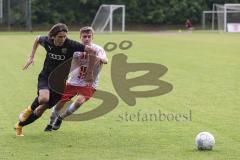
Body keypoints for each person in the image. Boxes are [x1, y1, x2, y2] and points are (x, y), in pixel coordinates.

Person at [15, 23, 97, 136]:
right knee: (43, 98)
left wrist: (89, 71)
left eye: (64, 36)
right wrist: (31, 56)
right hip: (45, 76)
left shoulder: (71, 44)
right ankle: (28, 110)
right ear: (53, 36)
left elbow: (92, 51)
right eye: (60, 37)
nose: (63, 39)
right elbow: (37, 39)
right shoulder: (47, 41)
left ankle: (19, 126)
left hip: (60, 83)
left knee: (40, 110)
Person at [44, 26, 107, 131]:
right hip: (73, 81)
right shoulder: (75, 49)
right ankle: (50, 123)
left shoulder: (98, 49)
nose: (87, 38)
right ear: (80, 37)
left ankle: (60, 118)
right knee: (60, 103)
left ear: (92, 37)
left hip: (89, 83)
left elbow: (105, 60)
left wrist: (99, 58)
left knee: (79, 101)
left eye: (89, 36)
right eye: (84, 36)